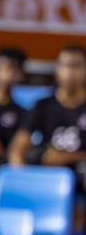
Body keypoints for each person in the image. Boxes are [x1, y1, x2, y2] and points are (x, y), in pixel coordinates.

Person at [9, 44, 86, 183]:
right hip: (48, 169)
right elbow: (18, 146)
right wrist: (21, 179)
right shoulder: (43, 105)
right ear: (57, 69)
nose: (70, 71)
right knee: (32, 155)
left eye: (76, 65)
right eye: (65, 65)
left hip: (80, 172)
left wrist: (70, 156)